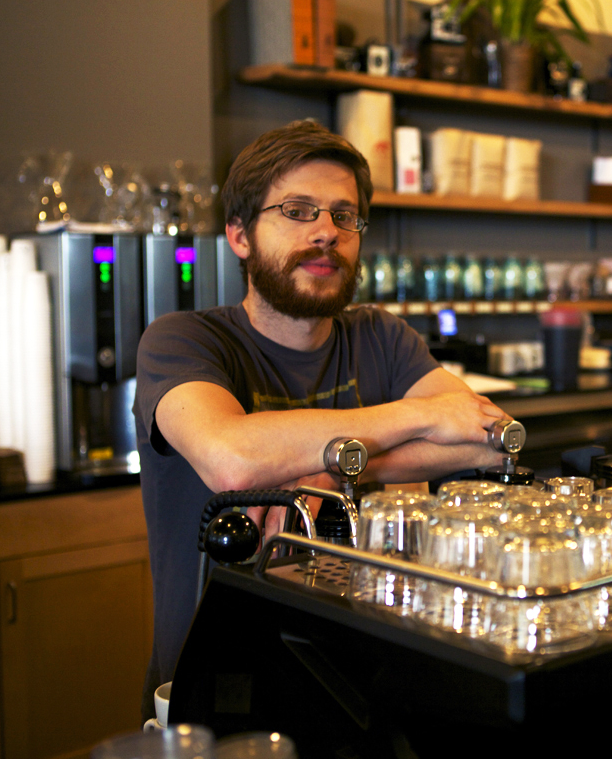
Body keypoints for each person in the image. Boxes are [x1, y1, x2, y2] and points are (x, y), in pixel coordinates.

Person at [133, 120, 509, 714]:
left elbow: (492, 440)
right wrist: (416, 418)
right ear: (239, 235)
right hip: (221, 677)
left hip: (364, 666)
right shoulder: (183, 342)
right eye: (298, 210)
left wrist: (327, 472)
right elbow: (233, 458)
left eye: (343, 215)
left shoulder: (382, 337)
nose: (327, 232)